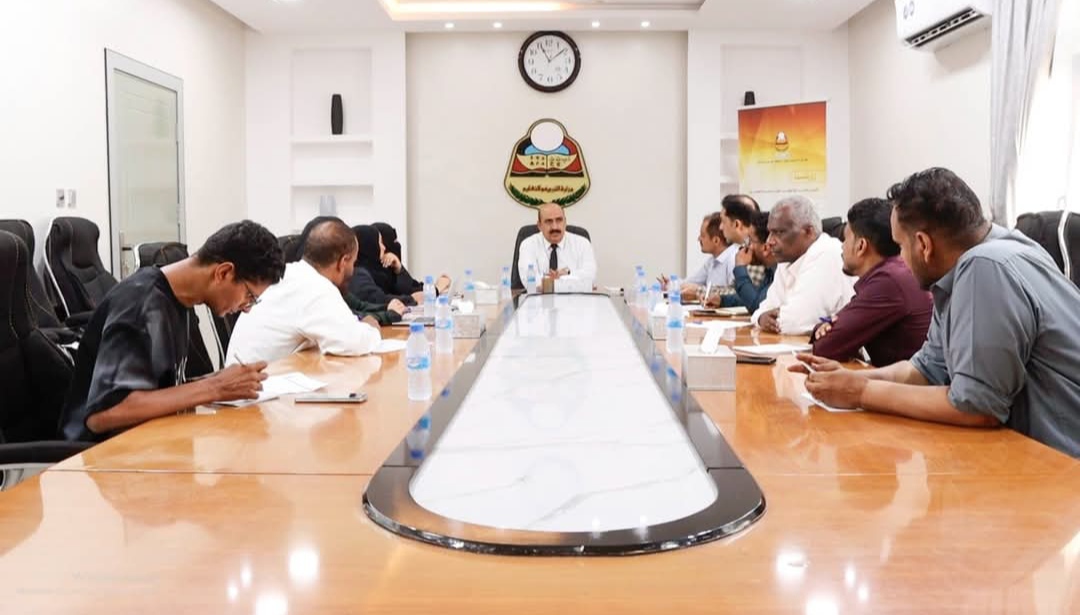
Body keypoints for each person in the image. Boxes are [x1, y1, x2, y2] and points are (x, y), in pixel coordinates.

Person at [793, 168, 1080, 458]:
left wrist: (861, 393)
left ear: (923, 245)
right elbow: (927, 369)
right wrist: (853, 380)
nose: (900, 259)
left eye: (900, 246)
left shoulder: (985, 267)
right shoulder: (990, 258)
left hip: (1063, 466)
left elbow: (977, 407)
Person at [59, 220, 285, 442]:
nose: (246, 308)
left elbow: (156, 387)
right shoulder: (140, 305)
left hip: (148, 441)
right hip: (100, 454)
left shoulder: (179, 300)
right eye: (249, 296)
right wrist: (215, 387)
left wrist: (218, 379)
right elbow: (103, 415)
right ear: (224, 272)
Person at [227, 218, 382, 365]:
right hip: (255, 381)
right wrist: (372, 329)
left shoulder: (291, 273)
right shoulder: (316, 287)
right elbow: (353, 343)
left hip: (243, 375)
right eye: (353, 263)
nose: (353, 269)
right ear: (343, 262)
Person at [810, 198, 932, 366]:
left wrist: (828, 331)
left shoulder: (888, 281)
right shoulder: (891, 273)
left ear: (861, 246)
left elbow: (826, 347)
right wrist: (825, 328)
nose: (842, 246)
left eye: (845, 239)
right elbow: (835, 334)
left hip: (910, 380)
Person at [751, 195, 855, 334]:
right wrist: (760, 318)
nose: (769, 241)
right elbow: (763, 309)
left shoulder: (827, 254)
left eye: (779, 232)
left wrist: (775, 318)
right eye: (770, 232)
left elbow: (796, 323)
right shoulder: (788, 259)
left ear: (808, 231)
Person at [517, 202, 597, 290]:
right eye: (549, 221)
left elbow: (589, 278)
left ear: (565, 222)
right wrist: (569, 281)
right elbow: (530, 282)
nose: (554, 227)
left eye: (559, 220)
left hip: (575, 298)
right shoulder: (528, 244)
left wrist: (564, 275)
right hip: (539, 298)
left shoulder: (582, 244)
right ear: (539, 225)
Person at [349, 225, 425, 306]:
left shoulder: (377, 272)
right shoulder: (358, 274)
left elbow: (410, 288)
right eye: (380, 243)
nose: (384, 248)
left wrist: (399, 269)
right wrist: (411, 299)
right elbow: (379, 300)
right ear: (371, 245)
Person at [372, 222, 451, 296]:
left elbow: (413, 285)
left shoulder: (392, 266)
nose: (397, 245)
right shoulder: (377, 276)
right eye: (394, 241)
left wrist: (399, 268)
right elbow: (407, 295)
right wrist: (436, 290)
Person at [719, 211, 776, 312]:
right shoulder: (769, 270)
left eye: (750, 241)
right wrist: (722, 300)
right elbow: (756, 297)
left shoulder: (780, 269)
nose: (746, 246)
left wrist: (740, 267)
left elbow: (757, 305)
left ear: (765, 248)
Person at [677, 211, 738, 302]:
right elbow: (691, 282)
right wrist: (671, 284)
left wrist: (698, 291)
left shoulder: (734, 259)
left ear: (716, 240)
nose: (698, 239)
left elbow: (735, 293)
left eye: (702, 235)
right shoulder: (712, 261)